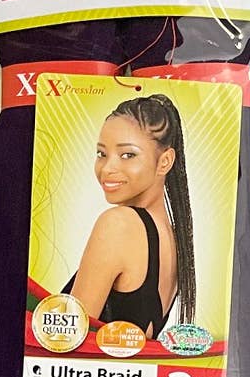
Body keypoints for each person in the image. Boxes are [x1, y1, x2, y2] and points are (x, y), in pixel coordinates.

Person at [65, 93, 196, 338]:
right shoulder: (174, 238)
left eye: (128, 155)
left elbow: (69, 339)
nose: (107, 168)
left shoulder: (119, 225)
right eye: (101, 154)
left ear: (165, 161)